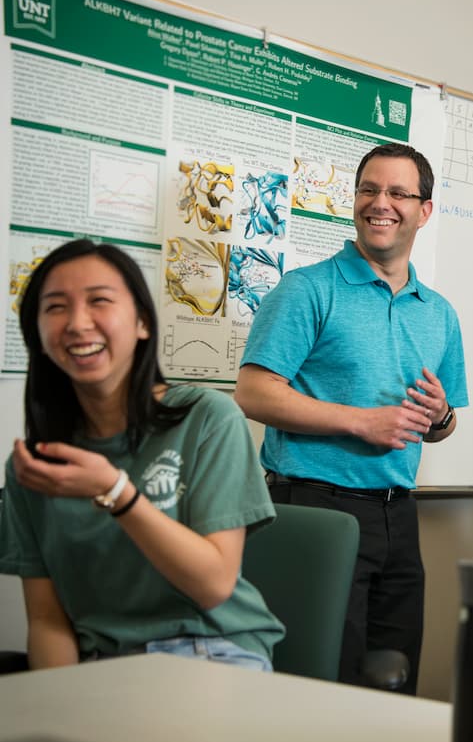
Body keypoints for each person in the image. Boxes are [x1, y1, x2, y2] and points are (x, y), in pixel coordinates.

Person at [235, 142, 467, 692]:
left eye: (397, 193)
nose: (379, 203)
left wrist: (439, 416)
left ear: (423, 211)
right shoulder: (307, 289)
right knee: (318, 684)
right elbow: (253, 392)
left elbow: (444, 424)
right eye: (369, 189)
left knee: (394, 679)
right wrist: (361, 422)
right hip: (313, 508)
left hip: (398, 515)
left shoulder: (439, 313)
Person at [0, 239, 283, 670]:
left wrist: (115, 492)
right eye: (55, 307)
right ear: (37, 336)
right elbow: (46, 621)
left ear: (143, 322)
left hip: (210, 649)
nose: (77, 323)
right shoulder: (35, 469)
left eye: (99, 301)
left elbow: (213, 585)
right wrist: (57, 698)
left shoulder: (207, 418)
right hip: (100, 666)